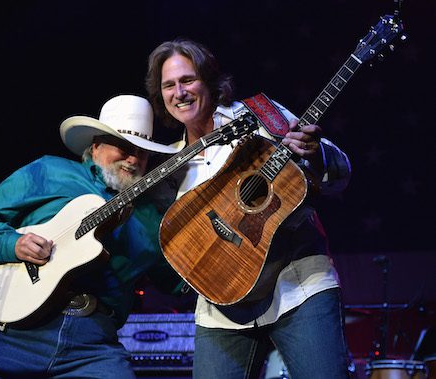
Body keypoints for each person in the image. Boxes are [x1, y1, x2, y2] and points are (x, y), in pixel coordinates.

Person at [0, 95, 186, 378]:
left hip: (92, 345)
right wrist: (13, 244)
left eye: (141, 151)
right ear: (95, 146)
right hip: (10, 333)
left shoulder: (153, 219)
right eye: (123, 146)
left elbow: (179, 282)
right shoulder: (50, 171)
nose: (133, 158)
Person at [145, 38, 352, 378]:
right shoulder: (171, 165)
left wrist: (316, 154)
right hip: (222, 307)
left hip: (297, 287)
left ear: (209, 81)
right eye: (169, 85)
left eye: (188, 80)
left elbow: (339, 176)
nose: (179, 92)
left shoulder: (259, 115)